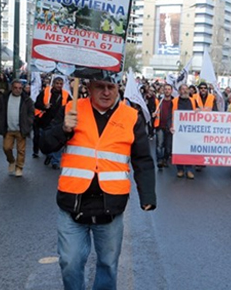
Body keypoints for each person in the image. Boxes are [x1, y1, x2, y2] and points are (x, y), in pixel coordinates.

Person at [40, 72, 156, 290]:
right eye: (100, 86)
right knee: (70, 262)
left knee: (108, 264)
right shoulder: (71, 109)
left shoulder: (131, 117)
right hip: (72, 204)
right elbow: (45, 145)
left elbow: (142, 159)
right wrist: (62, 129)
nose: (106, 92)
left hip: (110, 206)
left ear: (118, 88)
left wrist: (147, 195)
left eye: (110, 87)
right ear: (89, 87)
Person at [0, 79, 34, 177]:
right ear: (11, 88)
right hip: (8, 129)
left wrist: (28, 123)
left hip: (21, 129)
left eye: (20, 88)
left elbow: (31, 113)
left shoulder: (27, 100)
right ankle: (11, 161)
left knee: (21, 150)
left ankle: (19, 167)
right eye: (16, 88)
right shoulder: (4, 98)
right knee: (6, 148)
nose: (18, 90)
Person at [34, 76, 71, 169]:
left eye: (60, 84)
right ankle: (49, 155)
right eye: (57, 83)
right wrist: (44, 106)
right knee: (46, 140)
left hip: (58, 122)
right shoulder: (45, 92)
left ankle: (55, 161)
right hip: (45, 121)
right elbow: (37, 104)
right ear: (53, 84)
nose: (59, 85)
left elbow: (71, 106)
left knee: (58, 141)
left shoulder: (66, 95)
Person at [171, 84, 197, 179]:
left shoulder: (193, 101)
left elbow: (197, 113)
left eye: (186, 89)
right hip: (178, 130)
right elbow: (170, 115)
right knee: (179, 149)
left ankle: (189, 170)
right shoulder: (174, 101)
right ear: (179, 91)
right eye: (182, 89)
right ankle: (180, 169)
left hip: (190, 130)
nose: (185, 91)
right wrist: (170, 126)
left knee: (189, 150)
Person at [152, 84, 176, 169]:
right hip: (160, 125)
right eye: (165, 89)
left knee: (168, 146)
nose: (167, 91)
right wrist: (153, 114)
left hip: (170, 127)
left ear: (171, 91)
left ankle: (165, 159)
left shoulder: (175, 102)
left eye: (169, 89)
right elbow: (153, 109)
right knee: (159, 145)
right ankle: (159, 160)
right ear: (163, 90)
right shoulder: (159, 101)